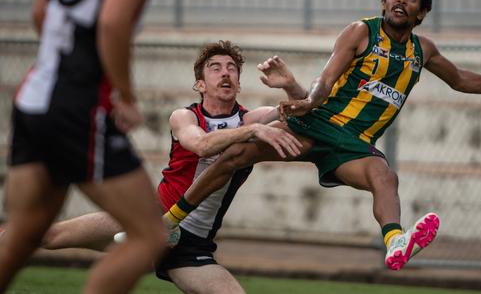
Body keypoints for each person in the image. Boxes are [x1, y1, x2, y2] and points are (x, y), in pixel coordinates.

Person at [161, 0, 481, 271]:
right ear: (383, 1)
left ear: (421, 13)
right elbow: (326, 79)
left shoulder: (423, 50)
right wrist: (308, 101)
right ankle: (171, 220)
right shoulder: (362, 31)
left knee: (385, 177)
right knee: (236, 155)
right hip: (316, 123)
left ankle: (395, 242)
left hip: (352, 145)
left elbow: (460, 80)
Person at [32, 42, 307, 294]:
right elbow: (202, 145)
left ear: (238, 83)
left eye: (232, 69)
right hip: (149, 220)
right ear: (199, 85)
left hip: (190, 245)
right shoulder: (185, 116)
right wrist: (253, 131)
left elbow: (305, 109)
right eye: (215, 68)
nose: (225, 73)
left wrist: (291, 85)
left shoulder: (251, 119)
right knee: (47, 235)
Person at [0, 0, 168, 293]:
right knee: (148, 235)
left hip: (33, 93)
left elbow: (41, 11)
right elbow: (112, 22)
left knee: (26, 228)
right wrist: (125, 93)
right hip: (78, 102)